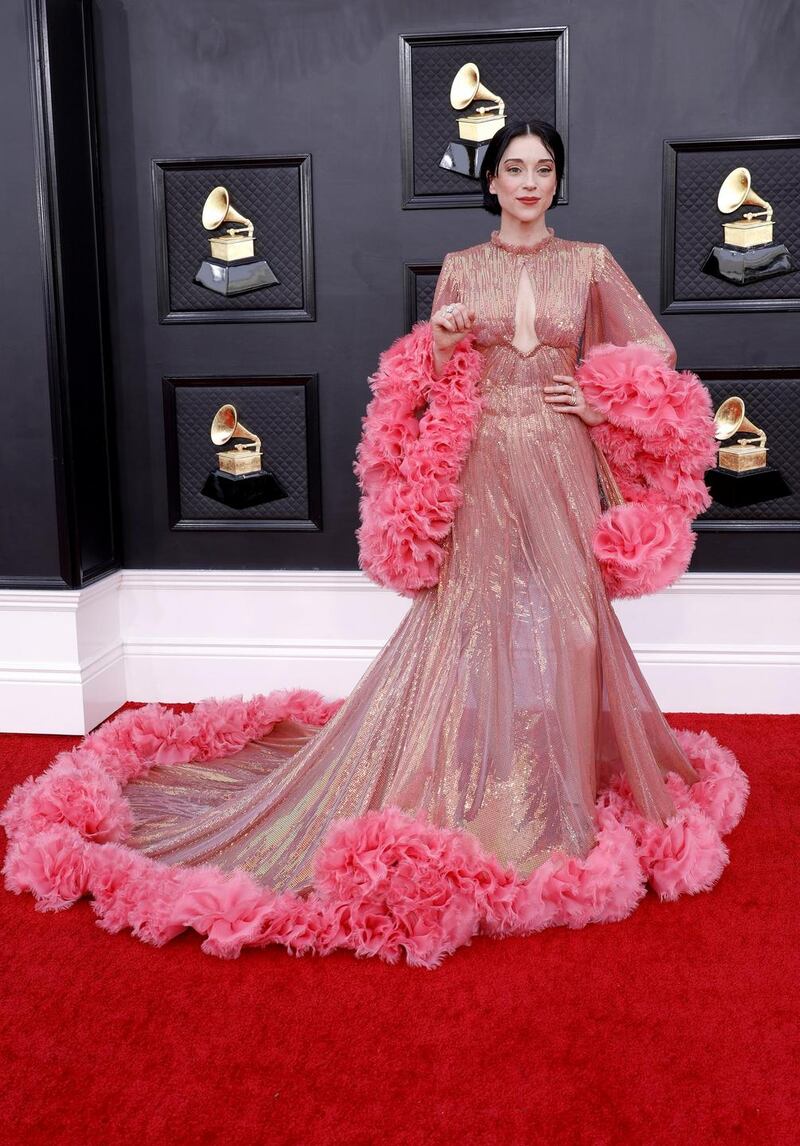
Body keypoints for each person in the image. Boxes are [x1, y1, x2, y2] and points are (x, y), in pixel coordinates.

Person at [2, 120, 748, 969]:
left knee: (575, 627)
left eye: (544, 169)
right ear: (493, 182)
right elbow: (430, 375)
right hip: (484, 466)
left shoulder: (591, 262)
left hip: (562, 455)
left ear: (556, 180)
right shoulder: (462, 269)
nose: (530, 182)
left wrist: (600, 394)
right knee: (477, 618)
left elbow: (655, 343)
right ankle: (483, 786)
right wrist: (441, 337)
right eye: (515, 168)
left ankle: (562, 795)